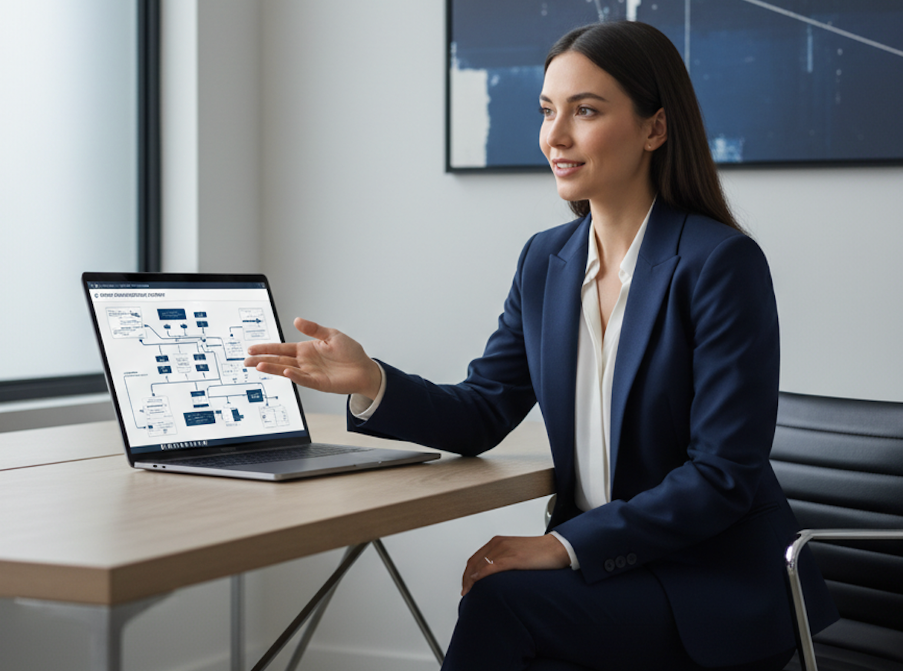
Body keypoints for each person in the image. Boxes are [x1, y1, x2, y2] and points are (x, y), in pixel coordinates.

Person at [245, 21, 837, 672]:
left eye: (585, 111)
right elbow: (482, 409)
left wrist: (566, 547)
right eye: (547, 111)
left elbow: (722, 477)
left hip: (711, 583)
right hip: (616, 574)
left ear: (654, 129)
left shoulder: (719, 262)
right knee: (506, 612)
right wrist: (370, 381)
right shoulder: (546, 261)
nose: (554, 136)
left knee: (503, 605)